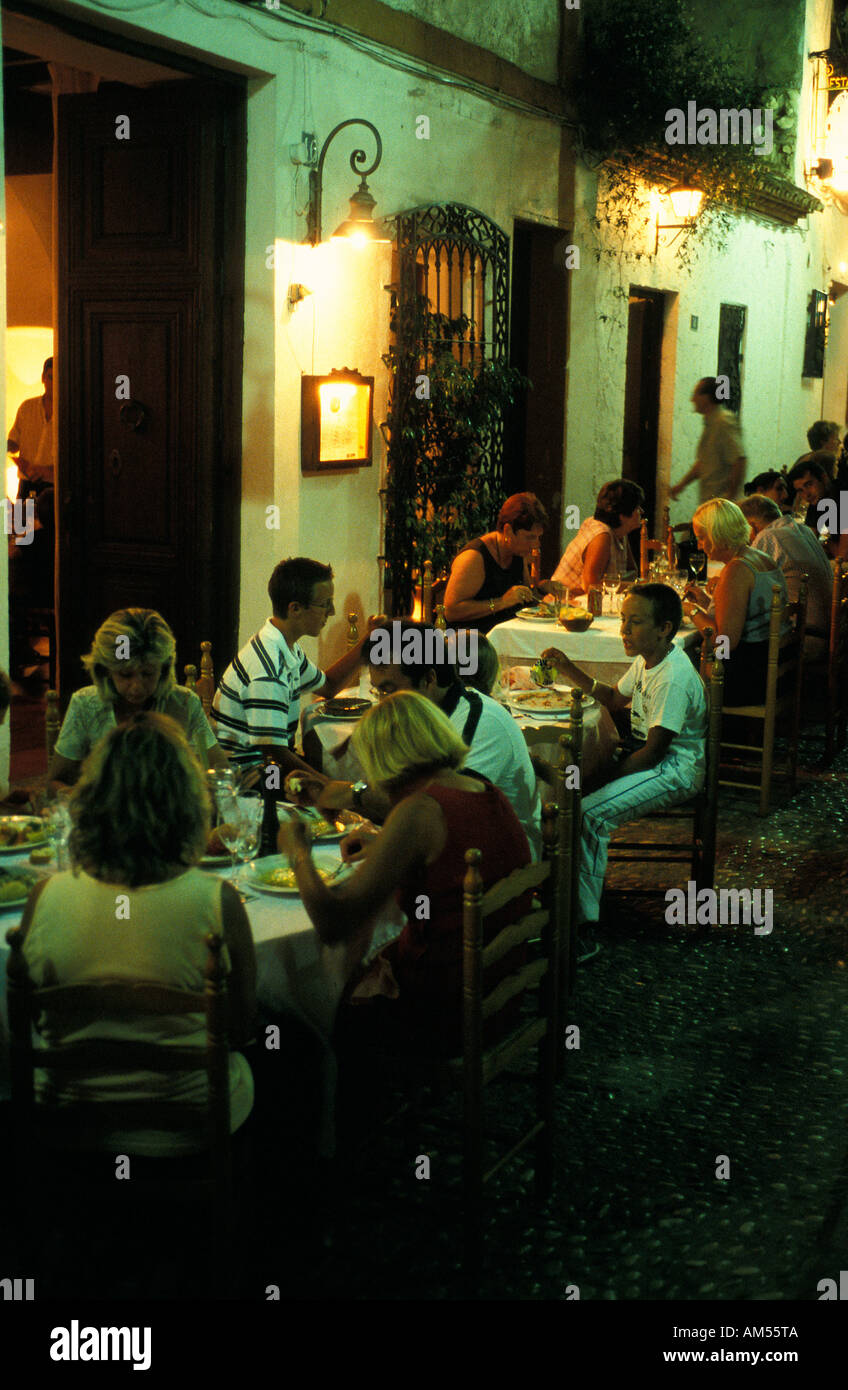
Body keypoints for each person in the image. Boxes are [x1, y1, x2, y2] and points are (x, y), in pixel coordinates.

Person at [18, 712, 256, 1156]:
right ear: (186, 801)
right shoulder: (216, 901)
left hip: (68, 1116)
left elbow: (35, 1023)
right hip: (188, 1123)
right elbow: (241, 1029)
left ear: (91, 799)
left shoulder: (44, 898)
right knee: (291, 1051)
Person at [278, 691, 531, 1056]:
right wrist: (388, 845)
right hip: (499, 990)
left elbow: (334, 924)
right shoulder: (481, 789)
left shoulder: (419, 811)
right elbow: (446, 856)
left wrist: (297, 853)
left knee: (297, 1027)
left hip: (440, 1013)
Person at [287, 620, 543, 860]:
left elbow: (439, 810)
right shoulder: (419, 718)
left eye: (389, 689)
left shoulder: (481, 720)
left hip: (492, 865)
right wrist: (333, 792)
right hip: (445, 844)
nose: (382, 703)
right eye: (378, 690)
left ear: (429, 678)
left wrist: (349, 794)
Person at [541, 584, 706, 948]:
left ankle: (581, 928)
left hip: (675, 769)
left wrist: (603, 780)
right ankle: (560, 894)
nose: (623, 631)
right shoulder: (650, 658)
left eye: (635, 622)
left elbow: (654, 753)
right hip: (649, 756)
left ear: (664, 628)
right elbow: (615, 698)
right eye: (622, 620)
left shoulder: (673, 676)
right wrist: (569, 669)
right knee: (568, 791)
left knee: (588, 814)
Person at [212, 557, 378, 775]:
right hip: (251, 780)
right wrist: (325, 787)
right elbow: (274, 753)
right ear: (295, 609)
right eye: (325, 604)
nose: (332, 611)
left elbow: (328, 686)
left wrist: (369, 641)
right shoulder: (269, 668)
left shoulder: (284, 646)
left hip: (271, 765)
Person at [48, 608, 230, 786]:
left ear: (164, 670)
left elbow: (217, 773)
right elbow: (55, 782)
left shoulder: (184, 703)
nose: (137, 687)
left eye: (148, 674)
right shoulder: (85, 705)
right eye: (125, 675)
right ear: (106, 671)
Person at [683, 498, 791, 705]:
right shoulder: (760, 557)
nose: (699, 545)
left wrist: (691, 611)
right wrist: (707, 603)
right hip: (776, 669)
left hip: (748, 678)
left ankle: (698, 732)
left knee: (677, 663)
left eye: (702, 537)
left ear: (717, 534)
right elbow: (741, 613)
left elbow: (725, 644)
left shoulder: (736, 570)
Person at [443, 492, 548, 633]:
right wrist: (501, 602)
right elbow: (451, 611)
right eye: (530, 537)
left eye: (538, 537)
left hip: (505, 637)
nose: (536, 544)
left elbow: (528, 598)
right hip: (471, 644)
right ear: (508, 531)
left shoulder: (516, 552)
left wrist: (543, 588)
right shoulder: (474, 558)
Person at [739, 493, 832, 652]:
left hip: (804, 639)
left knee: (731, 642)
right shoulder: (802, 529)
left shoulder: (768, 536)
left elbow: (745, 591)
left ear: (751, 525)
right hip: (828, 634)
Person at [551, 479, 644, 594]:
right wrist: (634, 586)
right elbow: (591, 586)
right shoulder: (602, 536)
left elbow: (632, 572)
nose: (641, 511)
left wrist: (625, 584)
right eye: (636, 508)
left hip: (587, 600)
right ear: (622, 515)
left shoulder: (620, 532)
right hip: (567, 601)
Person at [669, 377, 746, 503]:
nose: (692, 399)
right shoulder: (710, 424)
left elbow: (739, 459)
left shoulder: (723, 422)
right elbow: (703, 464)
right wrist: (681, 485)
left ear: (706, 397)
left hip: (721, 507)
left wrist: (730, 497)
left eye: (695, 394)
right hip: (711, 504)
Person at [7, 357, 54, 498]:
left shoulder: (68, 413)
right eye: (50, 377)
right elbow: (12, 444)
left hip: (53, 488)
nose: (53, 383)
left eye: (57, 378)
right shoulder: (27, 408)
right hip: (26, 484)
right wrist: (17, 459)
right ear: (43, 378)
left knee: (52, 520)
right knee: (21, 520)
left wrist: (48, 470)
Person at [786, 455, 848, 561]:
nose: (806, 495)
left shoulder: (844, 497)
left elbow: (843, 557)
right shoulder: (816, 504)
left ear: (824, 478)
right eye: (800, 490)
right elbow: (809, 548)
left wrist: (825, 542)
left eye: (809, 484)